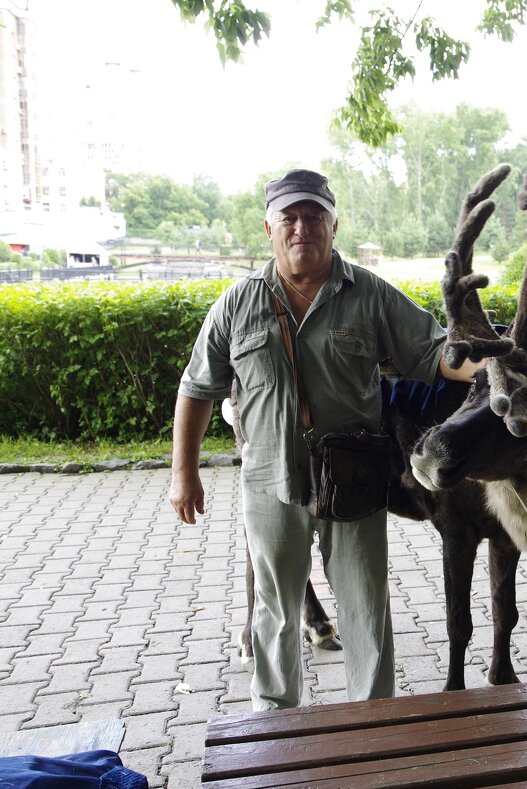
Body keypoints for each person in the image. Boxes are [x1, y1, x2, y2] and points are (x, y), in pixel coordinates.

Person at [169, 168, 481, 710]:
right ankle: (273, 725)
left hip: (354, 475)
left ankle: (373, 724)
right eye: (289, 218)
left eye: (313, 217)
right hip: (268, 478)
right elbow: (196, 387)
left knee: (365, 607)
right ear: (269, 228)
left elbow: (434, 353)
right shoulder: (237, 304)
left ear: (334, 225)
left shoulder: (372, 295)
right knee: (275, 609)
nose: (301, 229)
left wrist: (492, 370)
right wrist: (184, 473)